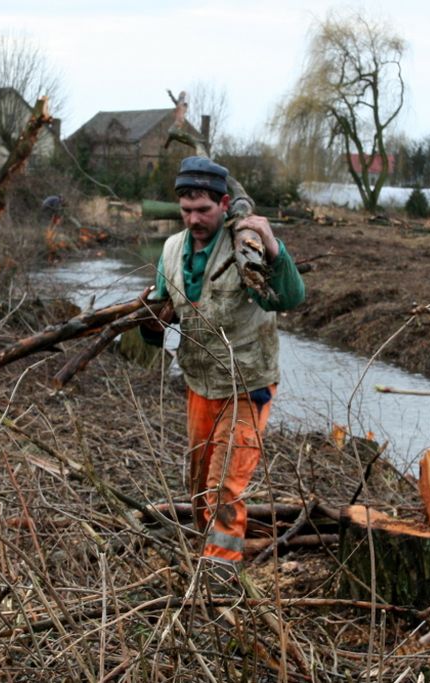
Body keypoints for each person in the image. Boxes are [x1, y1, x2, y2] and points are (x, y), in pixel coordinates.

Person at [142, 156, 305, 580]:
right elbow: (163, 315)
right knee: (198, 482)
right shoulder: (171, 250)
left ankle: (221, 575)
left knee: (225, 485)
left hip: (248, 383)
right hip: (200, 382)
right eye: (187, 210)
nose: (194, 219)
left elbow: (290, 298)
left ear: (224, 204)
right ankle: (207, 551)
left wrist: (273, 246)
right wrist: (151, 325)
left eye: (204, 210)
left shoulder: (245, 244)